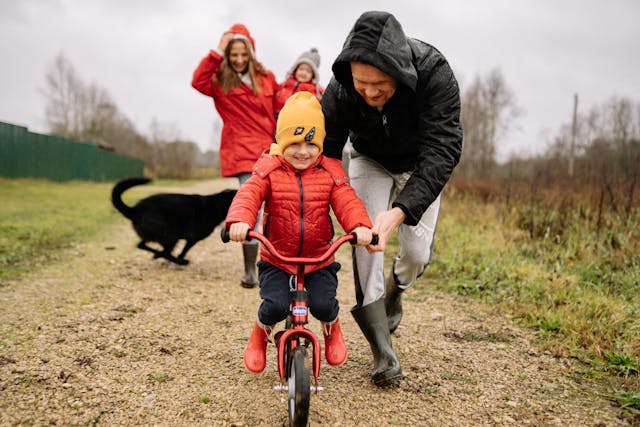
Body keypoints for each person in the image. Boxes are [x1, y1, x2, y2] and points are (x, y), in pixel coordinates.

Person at [321, 11, 464, 386]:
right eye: (361, 82)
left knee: (416, 253)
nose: (369, 92)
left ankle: (397, 290)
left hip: (419, 164)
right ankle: (381, 348)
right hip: (368, 158)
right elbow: (327, 151)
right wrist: (342, 204)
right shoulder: (339, 88)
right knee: (366, 240)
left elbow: (444, 149)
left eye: (380, 83)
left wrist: (400, 211)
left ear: (399, 72)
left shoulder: (434, 73)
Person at [225, 92, 374, 374]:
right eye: (294, 143)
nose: (303, 152)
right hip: (277, 258)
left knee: (324, 305)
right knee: (274, 306)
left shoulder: (330, 171)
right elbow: (249, 195)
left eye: (310, 143)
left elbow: (347, 201)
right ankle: (260, 333)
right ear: (281, 143)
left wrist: (360, 227)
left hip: (319, 258)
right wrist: (240, 222)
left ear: (320, 144)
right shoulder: (268, 169)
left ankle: (332, 329)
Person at [192, 23, 279, 289]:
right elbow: (197, 81)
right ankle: (250, 270)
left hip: (270, 149)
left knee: (277, 207)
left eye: (244, 54)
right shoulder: (219, 82)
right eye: (234, 55)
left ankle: (277, 264)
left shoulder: (267, 78)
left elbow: (280, 108)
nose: (239, 60)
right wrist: (217, 51)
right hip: (242, 152)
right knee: (252, 206)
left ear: (251, 54)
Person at [274, 47, 324, 114]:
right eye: (301, 69)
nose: (304, 73)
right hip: (277, 118)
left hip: (297, 121)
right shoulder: (284, 85)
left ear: (313, 75)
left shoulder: (314, 92)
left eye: (308, 71)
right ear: (295, 70)